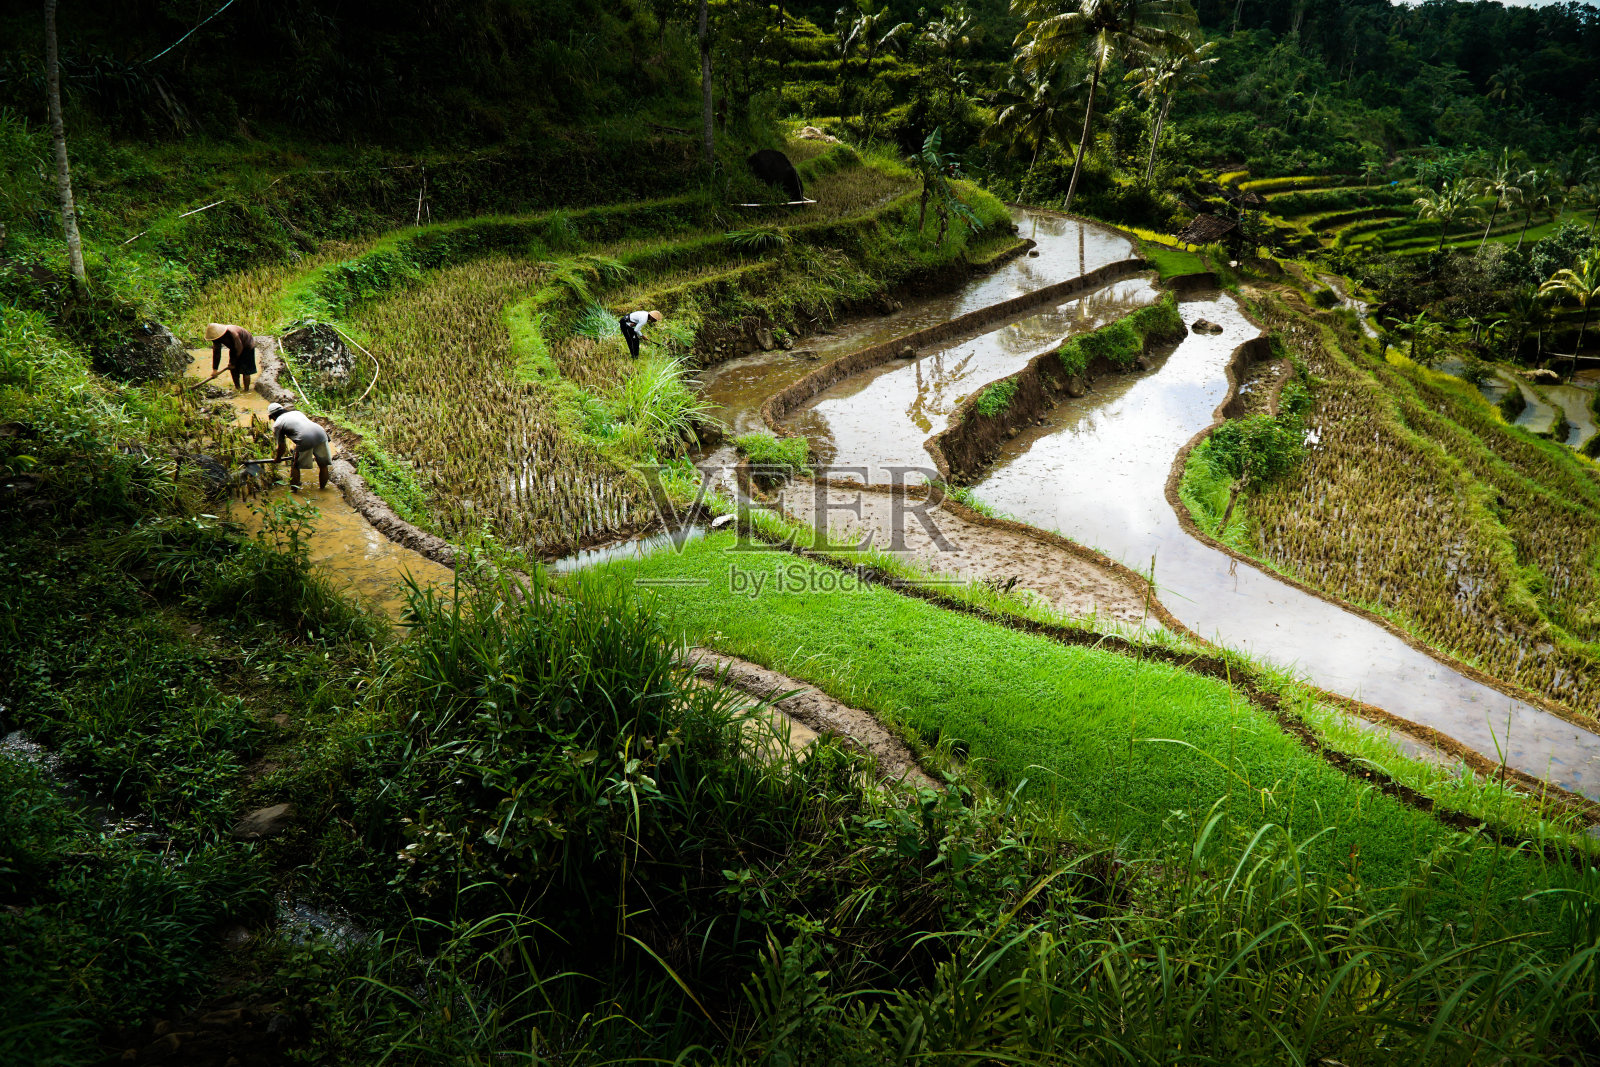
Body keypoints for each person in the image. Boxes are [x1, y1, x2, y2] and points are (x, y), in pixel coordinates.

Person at [267, 402, 331, 491]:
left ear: (272, 416)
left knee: (295, 466)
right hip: (321, 433)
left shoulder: (277, 424)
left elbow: (281, 446)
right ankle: (322, 490)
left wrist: (278, 458)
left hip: (305, 438)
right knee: (323, 465)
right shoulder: (297, 413)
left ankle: (294, 492)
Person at [205, 322, 258, 391]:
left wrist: (233, 362)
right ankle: (238, 388)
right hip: (234, 348)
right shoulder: (216, 339)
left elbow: (239, 348)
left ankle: (246, 390)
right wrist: (215, 369)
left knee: (246, 370)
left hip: (247, 346)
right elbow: (216, 353)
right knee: (233, 369)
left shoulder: (232, 334)